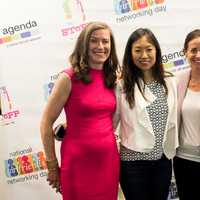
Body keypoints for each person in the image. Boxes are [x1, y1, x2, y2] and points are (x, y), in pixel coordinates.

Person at [40, 21, 120, 200]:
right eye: (94, 41)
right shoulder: (68, 78)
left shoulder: (112, 78)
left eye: (105, 41)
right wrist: (52, 166)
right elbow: (46, 122)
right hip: (77, 165)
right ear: (84, 44)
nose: (101, 46)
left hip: (108, 163)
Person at [113, 28, 178, 200]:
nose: (144, 55)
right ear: (130, 53)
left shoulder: (170, 82)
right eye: (138, 50)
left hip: (163, 162)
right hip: (133, 165)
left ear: (156, 50)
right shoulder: (121, 86)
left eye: (149, 49)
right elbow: (108, 122)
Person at [173, 29, 200, 200]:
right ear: (185, 53)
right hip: (184, 160)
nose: (198, 55)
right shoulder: (178, 80)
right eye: (194, 50)